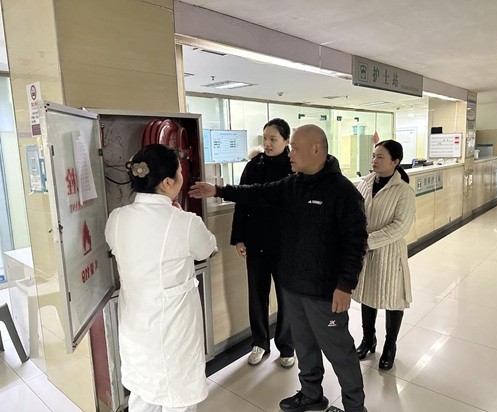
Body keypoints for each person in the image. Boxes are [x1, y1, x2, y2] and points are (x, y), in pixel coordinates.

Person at [190, 124, 368, 412]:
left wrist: (345, 285)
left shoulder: (343, 192)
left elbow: (356, 242)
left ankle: (355, 407)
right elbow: (257, 193)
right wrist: (219, 190)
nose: (290, 153)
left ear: (316, 149)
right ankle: (311, 395)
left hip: (324, 291)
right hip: (293, 285)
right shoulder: (292, 185)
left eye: (295, 147)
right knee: (304, 346)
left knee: (340, 352)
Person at [105, 144, 217, 412]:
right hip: (174, 330)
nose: (182, 177)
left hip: (135, 326)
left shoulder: (117, 218)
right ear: (167, 183)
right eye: (180, 172)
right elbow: (207, 249)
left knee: (143, 395)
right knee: (178, 398)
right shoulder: (185, 222)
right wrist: (177, 214)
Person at [230, 118, 295, 367]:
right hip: (256, 240)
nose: (267, 143)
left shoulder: (294, 166)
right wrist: (239, 238)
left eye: (273, 139)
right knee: (256, 295)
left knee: (286, 296)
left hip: (285, 244)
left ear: (286, 141)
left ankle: (287, 346)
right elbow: (242, 202)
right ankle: (259, 342)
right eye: (265, 138)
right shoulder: (253, 166)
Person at [353, 140, 416, 371]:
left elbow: (400, 226)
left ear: (395, 162)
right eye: (373, 156)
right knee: (367, 295)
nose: (374, 160)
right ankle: (368, 339)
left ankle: (390, 345)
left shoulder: (404, 191)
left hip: (389, 252)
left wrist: (366, 241)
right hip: (366, 253)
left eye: (380, 157)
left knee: (393, 298)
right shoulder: (365, 183)